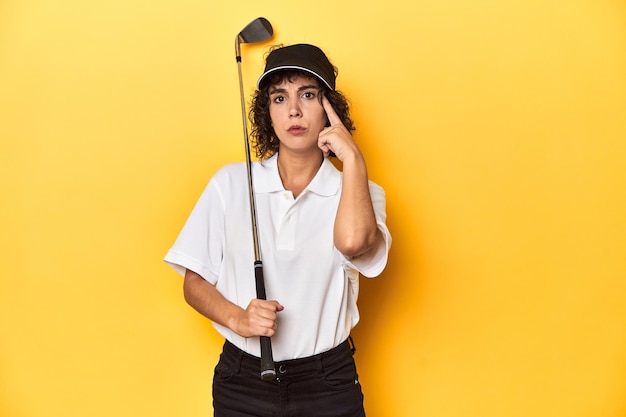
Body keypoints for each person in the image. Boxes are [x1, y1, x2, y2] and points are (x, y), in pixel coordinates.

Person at [164, 43, 391, 417]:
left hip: (328, 383)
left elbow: (353, 243)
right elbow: (194, 282)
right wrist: (238, 318)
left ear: (330, 109)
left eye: (308, 95)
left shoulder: (361, 191)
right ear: (267, 112)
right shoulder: (231, 183)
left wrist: (353, 158)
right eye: (279, 98)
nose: (294, 111)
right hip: (243, 381)